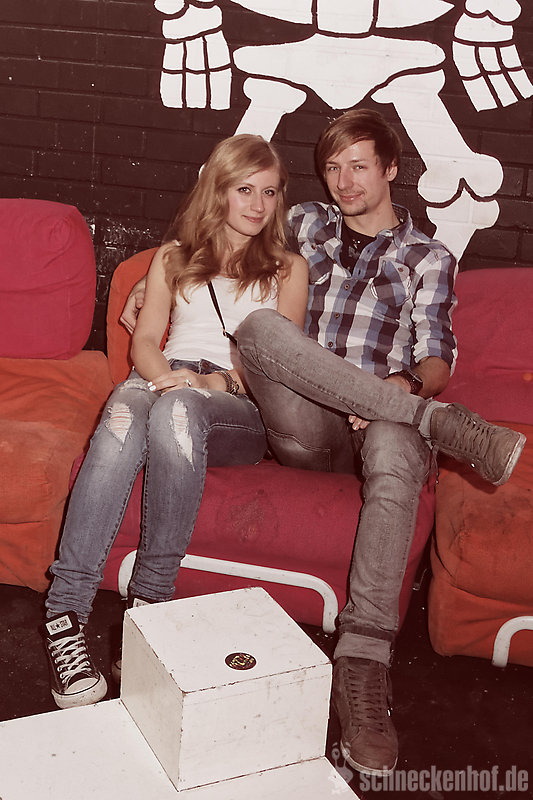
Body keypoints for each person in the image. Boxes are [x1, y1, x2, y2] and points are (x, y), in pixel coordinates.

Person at [120, 110, 525, 776]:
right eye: (333, 168)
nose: (344, 181)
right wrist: (151, 277)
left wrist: (400, 387)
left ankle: (362, 665)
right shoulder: (305, 224)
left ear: (391, 169)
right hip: (305, 422)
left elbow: (436, 358)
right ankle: (439, 425)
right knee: (259, 329)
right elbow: (215, 228)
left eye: (359, 166)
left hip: (383, 420)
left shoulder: (427, 258)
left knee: (394, 442)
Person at [42, 133, 309, 711]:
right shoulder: (172, 257)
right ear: (218, 190)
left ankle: (150, 605)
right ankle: (65, 612)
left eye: (269, 192)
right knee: (126, 404)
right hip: (169, 376)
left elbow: (281, 367)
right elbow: (144, 341)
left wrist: (214, 384)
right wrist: (167, 378)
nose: (258, 205)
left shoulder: (289, 269)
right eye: (244, 190)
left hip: (239, 403)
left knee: (180, 410)